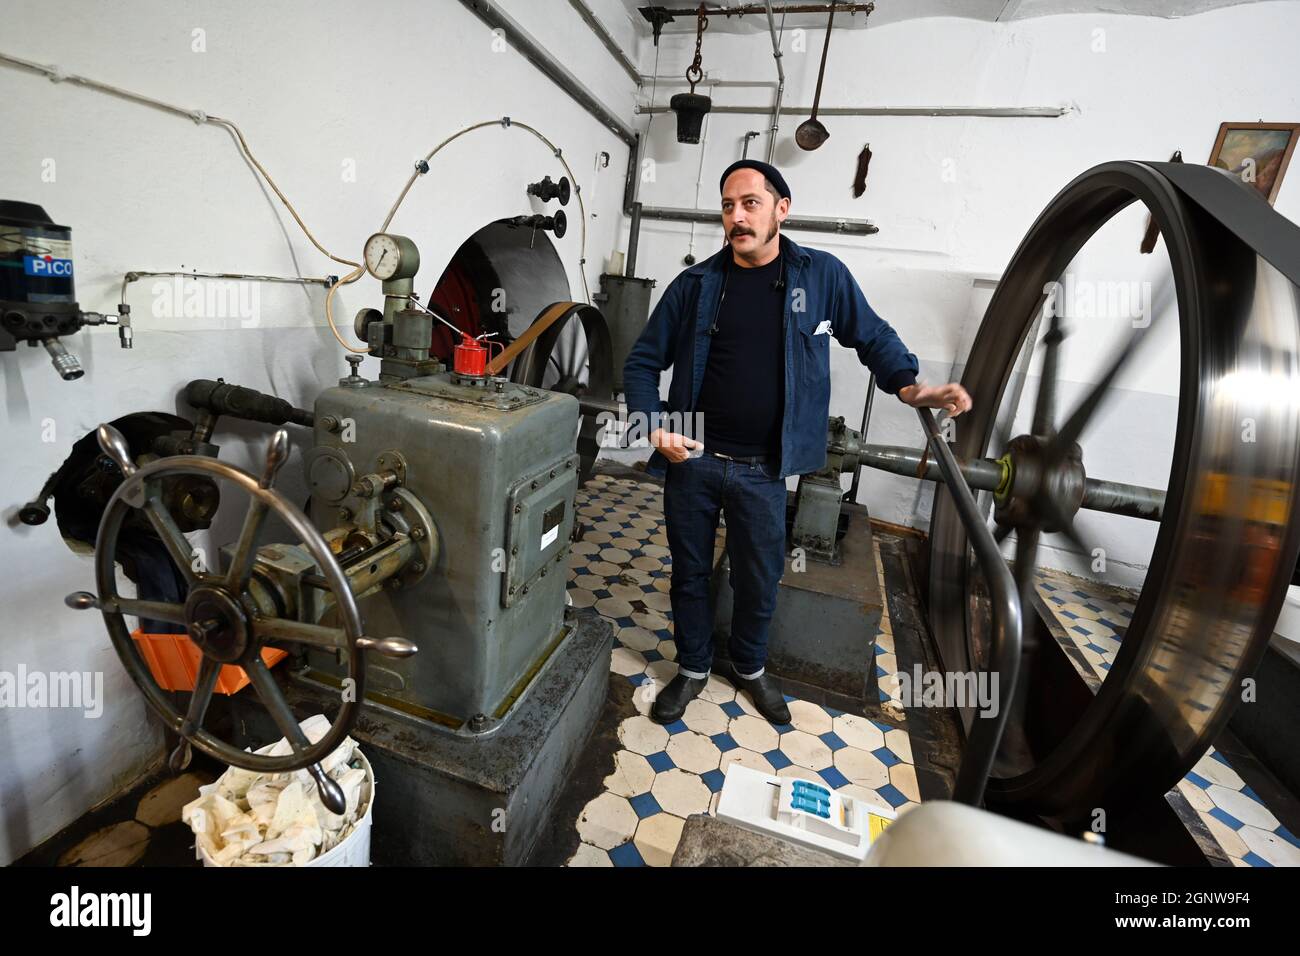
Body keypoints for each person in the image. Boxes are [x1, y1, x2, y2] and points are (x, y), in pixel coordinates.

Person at [622, 159, 972, 725]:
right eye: (728, 206)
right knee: (689, 572)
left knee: (759, 577)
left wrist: (909, 386)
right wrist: (652, 424)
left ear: (781, 210)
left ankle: (751, 667)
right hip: (694, 459)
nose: (737, 217)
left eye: (751, 203)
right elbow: (642, 362)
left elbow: (872, 334)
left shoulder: (822, 277)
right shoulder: (695, 286)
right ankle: (691, 668)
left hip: (765, 468)